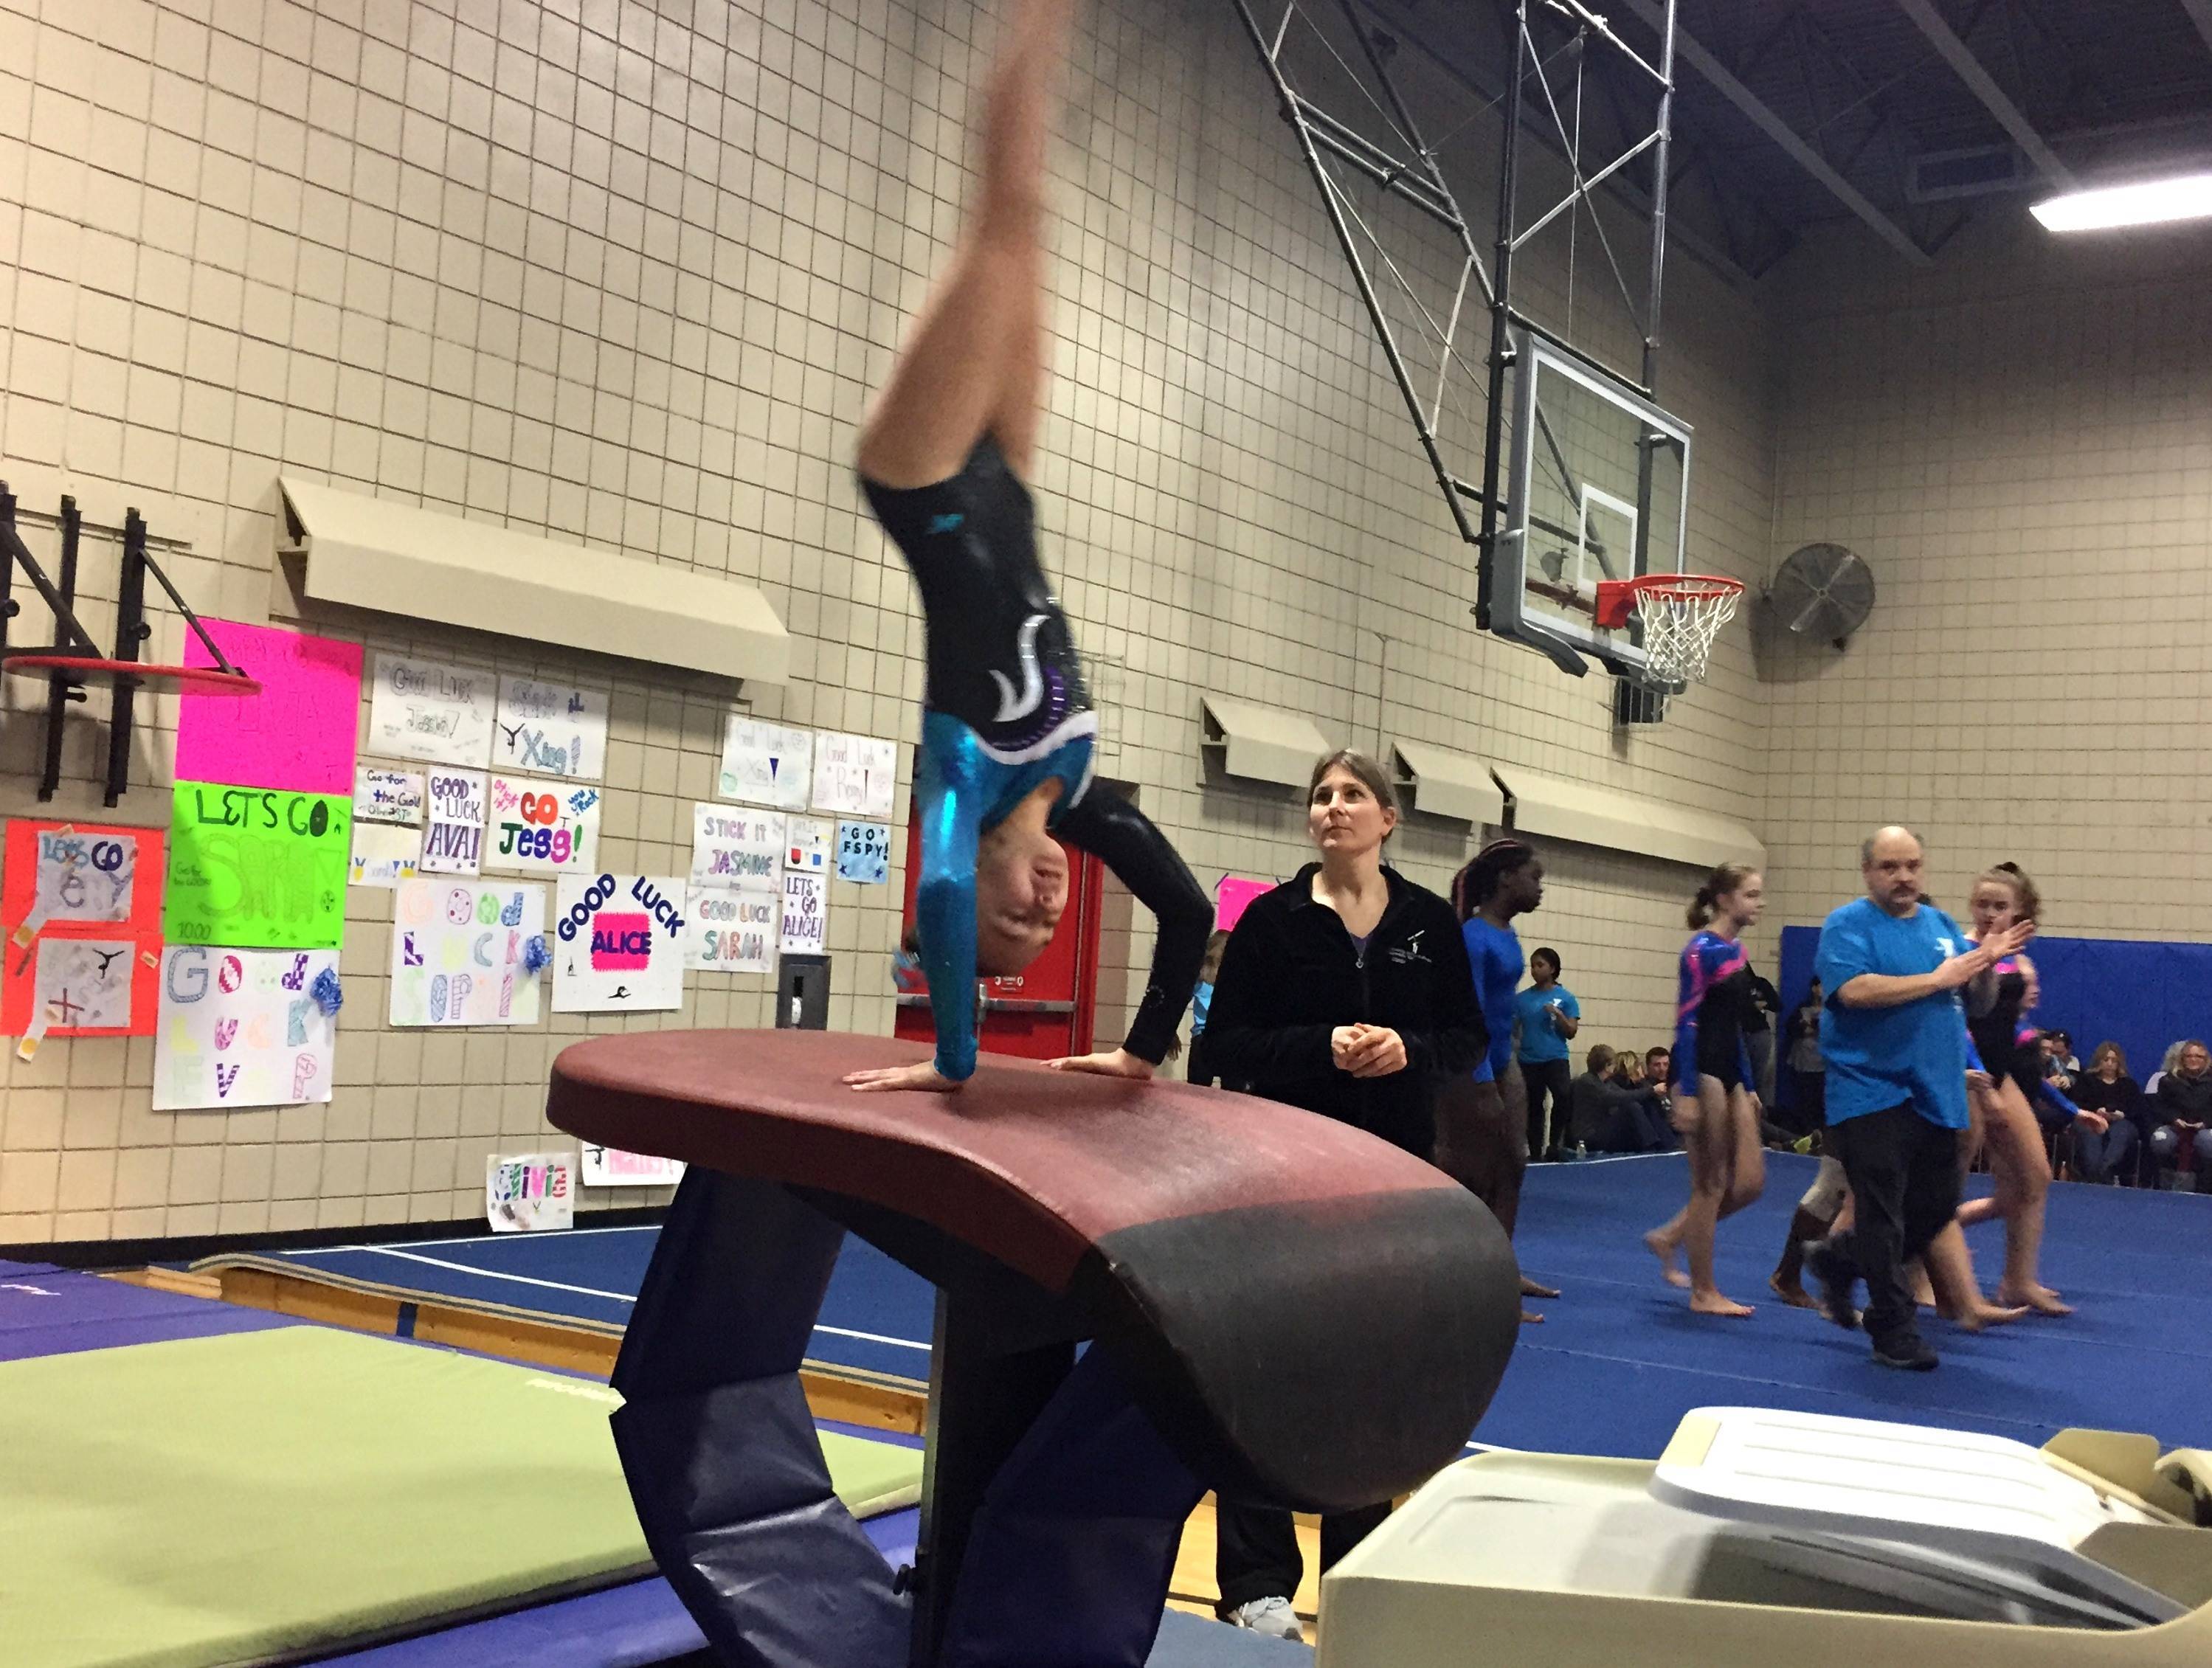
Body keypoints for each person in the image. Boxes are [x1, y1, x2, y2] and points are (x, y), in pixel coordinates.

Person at [844, 0, 1209, 1096]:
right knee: (1022, 214)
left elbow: (945, 900)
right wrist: (1144, 1051)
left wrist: (954, 1060)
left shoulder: (957, 781)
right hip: (1006, 468)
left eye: (1014, 914)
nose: (1045, 902)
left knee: (1006, 204)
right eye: (1042, 923)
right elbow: (1189, 914)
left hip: (920, 481)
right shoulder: (1082, 790)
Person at [1201, 749, 1486, 1638]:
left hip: (1390, 1179)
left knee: (1371, 1379)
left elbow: (1466, 1038)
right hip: (1280, 1177)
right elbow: (1221, 1047)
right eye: (1321, 795)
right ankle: (1254, 1582)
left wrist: (1408, 1048)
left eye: (1352, 794)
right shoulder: (1270, 923)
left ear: (1387, 818)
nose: (1332, 807)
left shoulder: (1429, 923)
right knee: (1266, 1370)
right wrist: (1316, 1047)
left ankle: (1357, 1569)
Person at [1801, 828, 2031, 1370]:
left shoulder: (1941, 925)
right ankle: (1892, 1326)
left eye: (1912, 865)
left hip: (1938, 1091)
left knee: (1933, 1208)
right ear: (1868, 872)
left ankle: (1842, 1258)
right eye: (1889, 866)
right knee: (1882, 1211)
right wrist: (1938, 977)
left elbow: (1973, 1003)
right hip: (1871, 1088)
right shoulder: (1847, 925)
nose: (1903, 876)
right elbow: (1853, 991)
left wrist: (1983, 966)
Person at [1440, 839, 1561, 1324]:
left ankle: (1501, 1270)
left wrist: (1507, 1053)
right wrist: (1480, 1078)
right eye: (1535, 877)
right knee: (1476, 1174)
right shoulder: (1473, 935)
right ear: (1507, 878)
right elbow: (1465, 1010)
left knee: (1514, 1163)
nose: (1541, 888)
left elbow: (1500, 1005)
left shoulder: (1506, 933)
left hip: (1501, 1058)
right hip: (1472, 1065)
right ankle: (1469, 1282)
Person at [1642, 862, 1768, 1317]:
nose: (1760, 902)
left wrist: (1749, 1084)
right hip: (1701, 1068)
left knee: (1751, 1183)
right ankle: (1704, 1291)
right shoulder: (1699, 950)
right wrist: (1688, 1089)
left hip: (1732, 1068)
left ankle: (1672, 1235)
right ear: (1725, 899)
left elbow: (1735, 1024)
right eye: (1752, 895)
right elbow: (1688, 1021)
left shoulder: (1736, 950)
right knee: (1710, 1185)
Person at [1950, 863, 2067, 1315]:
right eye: (1982, 904)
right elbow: (1957, 1022)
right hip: (1965, 1072)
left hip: (2003, 1073)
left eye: (2000, 907)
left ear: (2018, 913)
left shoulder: (2019, 958)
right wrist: (1982, 1084)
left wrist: (2062, 1102)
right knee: (1950, 1178)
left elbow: (2015, 1028)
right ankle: (1926, 1273)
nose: (1988, 913)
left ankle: (2018, 1279)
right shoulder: (1963, 949)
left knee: (2034, 1176)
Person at [1515, 948, 1580, 1160]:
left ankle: (1555, 1145)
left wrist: (1558, 1015)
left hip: (1555, 1057)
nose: (1535, 970)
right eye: (1532, 965)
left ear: (1552, 969)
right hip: (1529, 1058)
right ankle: (1535, 1150)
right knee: (1534, 1104)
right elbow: (1514, 1029)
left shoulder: (1566, 998)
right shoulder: (1522, 999)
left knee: (1562, 1095)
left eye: (1540, 965)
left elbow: (1571, 1031)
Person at [1569, 1042, 1673, 1154]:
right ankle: (1651, 1146)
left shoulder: (1606, 1082)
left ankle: (1666, 1144)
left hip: (1602, 1130)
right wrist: (1651, 1090)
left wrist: (1649, 1092)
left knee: (1639, 1104)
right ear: (1607, 1065)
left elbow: (1625, 1095)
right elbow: (1615, 1097)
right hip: (1590, 1136)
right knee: (1631, 1107)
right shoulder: (1587, 1081)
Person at [2070, 1042, 2141, 1185]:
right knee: (2091, 1132)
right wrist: (2095, 1112)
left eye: (2114, 1061)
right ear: (2099, 1061)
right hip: (2091, 1119)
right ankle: (2094, 1172)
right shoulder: (2086, 1081)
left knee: (2122, 1131)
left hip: (2121, 1122)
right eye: (2106, 1060)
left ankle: (2106, 1169)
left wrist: (2122, 1114)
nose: (2110, 1064)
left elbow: (2137, 1109)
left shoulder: (2129, 1085)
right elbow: (2076, 1104)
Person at [2149, 1040, 2212, 1192]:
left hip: (2205, 1127)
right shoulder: (2168, 1080)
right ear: (2182, 1059)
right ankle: (2163, 1184)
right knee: (2160, 1141)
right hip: (2174, 1126)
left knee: (2208, 1142)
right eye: (2189, 1056)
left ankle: (2204, 1187)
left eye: (2199, 1056)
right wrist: (2175, 1119)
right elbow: (2159, 1107)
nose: (2193, 1059)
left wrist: (2205, 1122)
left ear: (2206, 1060)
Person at [1186, 928, 1231, 1086]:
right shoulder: (1234, 977)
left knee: (1198, 1094)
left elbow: (1179, 1002)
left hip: (1201, 1037)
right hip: (1228, 1036)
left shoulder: (1200, 976)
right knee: (1235, 1097)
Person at [1785, 978, 1826, 1128]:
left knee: (1820, 1102)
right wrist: (1806, 1027)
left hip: (1824, 1063)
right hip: (1804, 1061)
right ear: (1814, 988)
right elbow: (1791, 1028)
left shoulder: (1832, 1009)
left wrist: (1813, 1027)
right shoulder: (1803, 1008)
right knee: (1805, 1101)